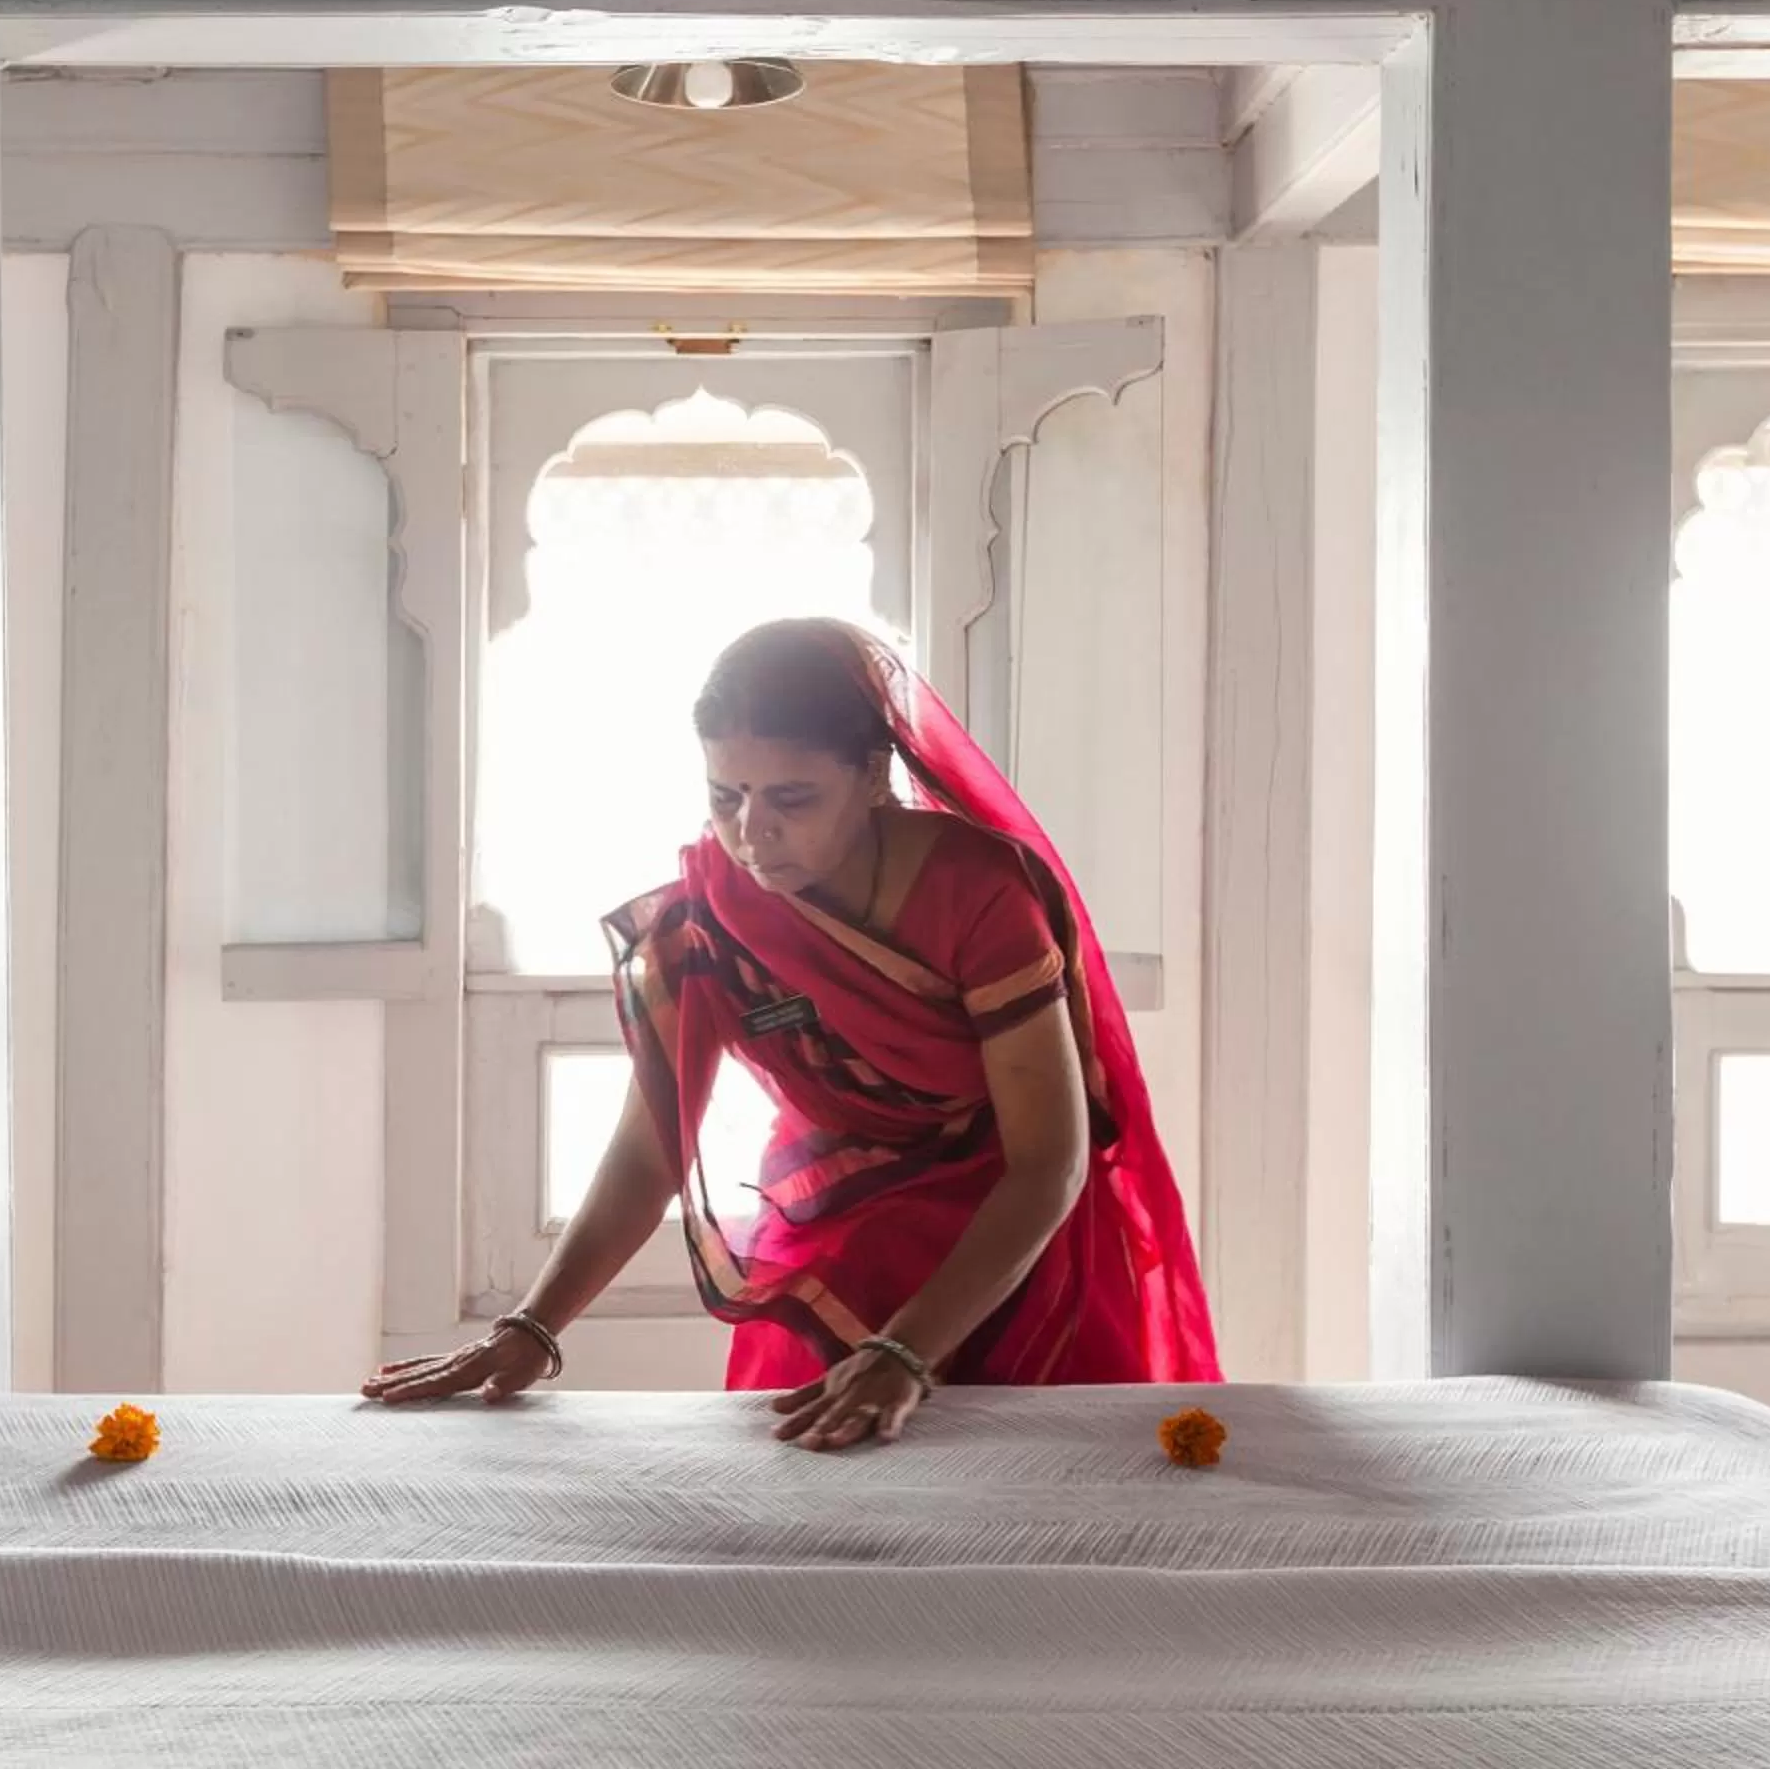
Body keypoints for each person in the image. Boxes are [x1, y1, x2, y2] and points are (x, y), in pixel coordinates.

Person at [364, 618, 1219, 1449]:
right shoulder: (707, 919)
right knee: (816, 1524)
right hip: (838, 1247)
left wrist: (902, 1351)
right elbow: (651, 1150)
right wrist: (530, 1328)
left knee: (1029, 1517)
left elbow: (1048, 1165)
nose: (751, 832)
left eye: (792, 798)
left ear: (874, 772)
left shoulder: (978, 894)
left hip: (1009, 1245)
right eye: (724, 796)